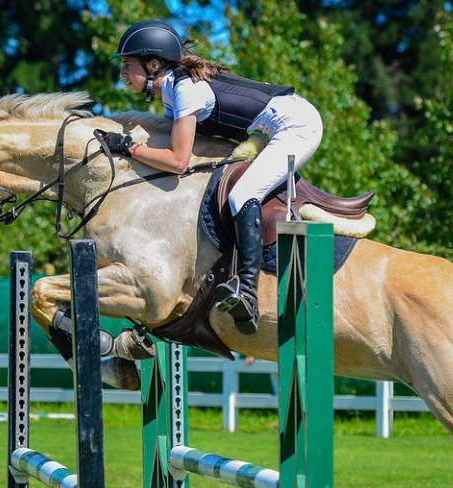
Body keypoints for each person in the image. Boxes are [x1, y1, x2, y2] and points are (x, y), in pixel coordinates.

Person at [100, 20, 324, 335]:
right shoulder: (172, 94)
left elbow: (178, 161)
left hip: (296, 127)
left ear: (153, 64)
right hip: (270, 127)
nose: (123, 73)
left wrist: (129, 148)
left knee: (241, 195)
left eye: (128, 64)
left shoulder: (185, 90)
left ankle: (248, 290)